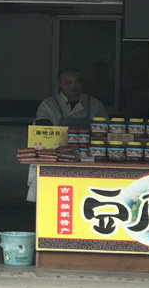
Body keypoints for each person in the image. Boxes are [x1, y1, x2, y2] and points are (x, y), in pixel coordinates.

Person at [27, 68, 108, 202]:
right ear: (60, 84)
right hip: (56, 157)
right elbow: (41, 131)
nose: (73, 86)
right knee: (54, 198)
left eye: (77, 82)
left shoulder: (94, 104)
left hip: (89, 158)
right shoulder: (49, 105)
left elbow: (105, 132)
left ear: (82, 83)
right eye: (68, 82)